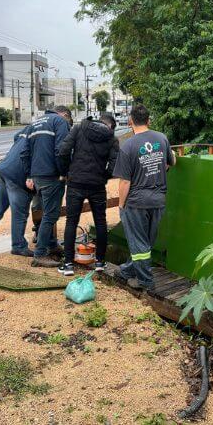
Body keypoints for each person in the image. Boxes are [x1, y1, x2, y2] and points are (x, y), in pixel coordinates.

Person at [112, 104, 175, 290]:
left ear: (131, 121)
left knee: (138, 243)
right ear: (149, 120)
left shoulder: (128, 145)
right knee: (145, 241)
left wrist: (121, 205)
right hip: (158, 200)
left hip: (136, 202)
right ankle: (128, 270)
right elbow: (171, 162)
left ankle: (145, 281)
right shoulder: (162, 138)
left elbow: (124, 182)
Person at [56, 112, 120, 276]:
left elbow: (63, 151)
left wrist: (67, 171)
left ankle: (68, 264)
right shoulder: (112, 139)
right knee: (100, 222)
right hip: (97, 185)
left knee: (71, 222)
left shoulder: (79, 128)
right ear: (111, 126)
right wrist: (103, 176)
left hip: (75, 183)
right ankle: (100, 262)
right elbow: (114, 166)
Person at [21, 105, 72, 267]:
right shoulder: (59, 121)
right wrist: (64, 172)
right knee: (51, 215)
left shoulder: (35, 123)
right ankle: (40, 254)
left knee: (44, 213)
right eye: (69, 121)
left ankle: (51, 244)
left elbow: (24, 152)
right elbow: (61, 150)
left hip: (37, 176)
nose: (68, 124)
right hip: (52, 176)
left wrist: (29, 174)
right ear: (64, 114)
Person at [0, 126, 35, 257]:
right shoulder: (47, 133)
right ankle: (18, 246)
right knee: (20, 213)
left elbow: (16, 137)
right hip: (17, 175)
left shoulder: (30, 127)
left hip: (5, 168)